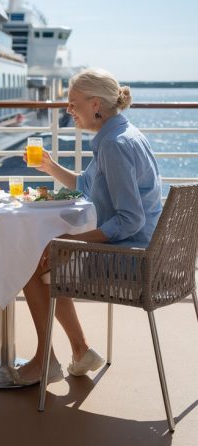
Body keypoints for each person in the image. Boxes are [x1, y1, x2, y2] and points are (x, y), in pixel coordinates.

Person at [11, 68, 162, 385]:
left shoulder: (114, 145)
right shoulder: (121, 134)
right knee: (49, 255)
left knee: (33, 261)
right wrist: (50, 166)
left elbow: (129, 219)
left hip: (134, 259)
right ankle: (80, 352)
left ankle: (46, 362)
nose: (68, 110)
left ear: (95, 104)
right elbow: (86, 185)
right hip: (149, 249)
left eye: (72, 103)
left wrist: (67, 240)